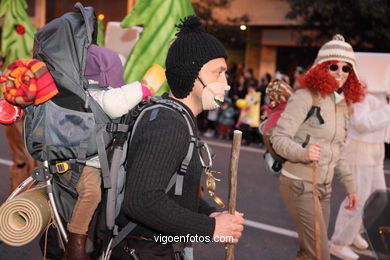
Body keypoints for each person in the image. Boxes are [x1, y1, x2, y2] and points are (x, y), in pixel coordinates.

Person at [111, 16, 244, 259]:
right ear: (191, 72)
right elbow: (142, 200)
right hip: (145, 251)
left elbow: (174, 191)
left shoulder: (175, 116)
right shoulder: (168, 123)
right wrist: (211, 229)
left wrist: (208, 214)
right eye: (218, 73)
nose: (226, 84)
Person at [270, 34, 365, 260]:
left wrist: (351, 187)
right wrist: (303, 153)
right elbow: (278, 138)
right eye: (334, 66)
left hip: (324, 187)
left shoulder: (342, 105)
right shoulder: (305, 97)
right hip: (299, 184)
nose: (340, 73)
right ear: (322, 67)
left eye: (346, 68)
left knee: (309, 252)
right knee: (320, 252)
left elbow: (338, 150)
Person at [64, 44, 152, 260]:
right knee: (91, 192)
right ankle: (75, 244)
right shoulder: (96, 93)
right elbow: (116, 103)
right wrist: (143, 90)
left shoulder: (83, 91)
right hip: (81, 163)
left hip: (87, 159)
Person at [330, 76, 390, 259]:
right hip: (359, 148)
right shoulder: (363, 90)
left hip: (377, 148)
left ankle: (354, 230)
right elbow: (361, 123)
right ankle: (339, 242)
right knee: (358, 198)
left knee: (379, 197)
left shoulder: (382, 92)